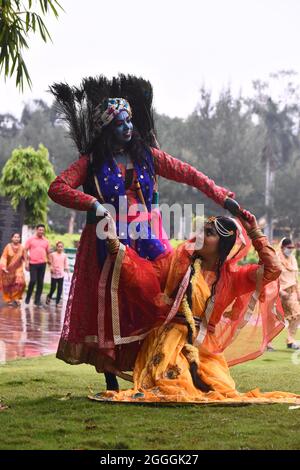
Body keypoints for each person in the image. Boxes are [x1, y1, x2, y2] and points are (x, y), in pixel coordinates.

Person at [48, 75, 235, 391]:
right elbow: (57, 187)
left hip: (149, 239)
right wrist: (92, 203)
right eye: (120, 123)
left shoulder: (147, 155)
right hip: (107, 244)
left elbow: (188, 173)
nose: (127, 127)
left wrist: (219, 194)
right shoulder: (92, 163)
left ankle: (154, 369)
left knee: (156, 301)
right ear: (107, 128)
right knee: (111, 307)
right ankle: (111, 381)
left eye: (129, 121)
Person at [93, 209, 300, 405]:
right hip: (169, 339)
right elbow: (146, 278)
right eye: (202, 230)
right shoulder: (179, 264)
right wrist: (116, 247)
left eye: (208, 233)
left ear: (223, 245)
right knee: (173, 385)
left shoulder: (234, 278)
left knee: (220, 390)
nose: (200, 235)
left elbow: (273, 269)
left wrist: (254, 231)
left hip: (205, 348)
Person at [278, 238, 300, 350]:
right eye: (289, 248)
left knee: (296, 316)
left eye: (292, 248)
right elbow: (273, 278)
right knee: (275, 318)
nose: (290, 250)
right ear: (282, 247)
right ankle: (268, 344)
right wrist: (280, 291)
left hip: (292, 293)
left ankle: (290, 340)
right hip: (280, 293)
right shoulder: (276, 259)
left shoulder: (293, 259)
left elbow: (295, 278)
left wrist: (298, 292)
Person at [24, 224, 51, 307]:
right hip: (33, 263)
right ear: (36, 230)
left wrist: (50, 262)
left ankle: (37, 300)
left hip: (43, 263)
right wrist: (26, 262)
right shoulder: (31, 240)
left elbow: (48, 252)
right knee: (33, 280)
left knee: (40, 282)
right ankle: (28, 296)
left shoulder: (46, 241)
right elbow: (25, 250)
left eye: (42, 230)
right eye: (40, 230)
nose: (41, 231)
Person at [0, 233, 26, 307]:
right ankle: (8, 299)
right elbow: (4, 257)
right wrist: (3, 267)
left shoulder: (22, 248)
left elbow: (25, 258)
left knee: (21, 282)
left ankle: (16, 297)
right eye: (15, 237)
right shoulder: (8, 246)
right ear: (12, 238)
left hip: (18, 268)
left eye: (18, 237)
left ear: (20, 239)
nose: (16, 238)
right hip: (8, 268)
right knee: (7, 285)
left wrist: (27, 264)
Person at [46, 241, 70, 307]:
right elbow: (49, 263)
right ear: (56, 247)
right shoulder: (53, 254)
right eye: (59, 246)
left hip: (61, 274)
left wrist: (68, 273)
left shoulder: (64, 255)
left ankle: (57, 302)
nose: (60, 248)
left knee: (60, 289)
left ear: (63, 248)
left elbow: (66, 265)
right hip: (54, 274)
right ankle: (49, 296)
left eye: (61, 247)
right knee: (53, 288)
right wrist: (50, 268)